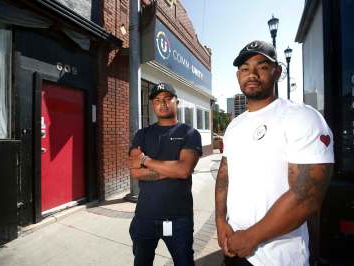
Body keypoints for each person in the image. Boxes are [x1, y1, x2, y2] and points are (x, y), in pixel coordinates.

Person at [215, 40, 334, 266]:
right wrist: (221, 220)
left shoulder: (302, 117)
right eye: (244, 68)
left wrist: (250, 238)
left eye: (261, 66)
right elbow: (224, 175)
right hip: (233, 247)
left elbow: (307, 197)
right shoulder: (234, 126)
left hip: (278, 258)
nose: (251, 74)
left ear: (277, 71)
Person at [127, 82, 202, 266]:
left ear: (177, 101)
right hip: (145, 216)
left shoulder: (189, 133)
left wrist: (146, 161)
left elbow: (184, 171)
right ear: (153, 104)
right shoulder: (142, 135)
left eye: (168, 99)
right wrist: (172, 170)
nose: (163, 103)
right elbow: (135, 172)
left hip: (177, 219)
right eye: (158, 100)